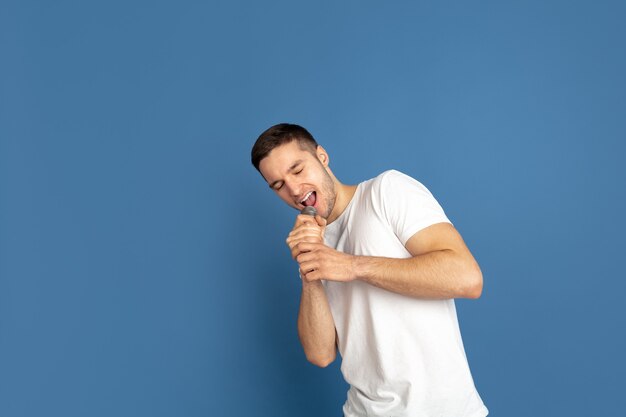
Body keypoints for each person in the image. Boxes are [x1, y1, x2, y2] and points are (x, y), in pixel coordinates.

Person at [251, 123, 488, 417]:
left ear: (322, 156)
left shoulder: (386, 191)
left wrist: (352, 265)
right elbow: (320, 354)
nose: (294, 190)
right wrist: (310, 267)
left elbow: (467, 277)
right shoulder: (315, 242)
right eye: (278, 185)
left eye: (297, 170)